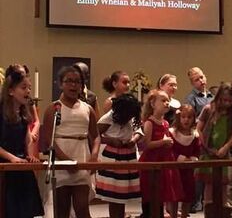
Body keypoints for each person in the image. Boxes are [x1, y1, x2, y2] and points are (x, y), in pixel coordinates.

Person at [43, 65, 100, 218]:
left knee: (82, 208)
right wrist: (66, 160)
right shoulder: (53, 108)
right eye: (69, 81)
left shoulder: (88, 109)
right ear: (61, 84)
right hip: (62, 162)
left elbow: (95, 136)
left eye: (77, 82)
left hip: (82, 158)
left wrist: (94, 156)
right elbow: (49, 138)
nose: (73, 85)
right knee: (62, 209)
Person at [0, 65, 44, 218]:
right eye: (23, 87)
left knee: (26, 212)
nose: (28, 91)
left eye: (29, 88)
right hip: (5, 169)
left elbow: (26, 143)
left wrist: (29, 156)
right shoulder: (1, 112)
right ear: (11, 91)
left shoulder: (23, 113)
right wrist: (12, 158)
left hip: (21, 167)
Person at [95, 93, 142, 218]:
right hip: (113, 156)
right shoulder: (108, 118)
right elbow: (94, 135)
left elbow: (139, 131)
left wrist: (133, 140)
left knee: (122, 195)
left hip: (128, 157)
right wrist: (110, 140)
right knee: (114, 195)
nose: (128, 118)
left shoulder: (131, 116)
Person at [139, 89, 184, 218]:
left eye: (168, 101)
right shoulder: (149, 122)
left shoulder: (165, 123)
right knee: (151, 193)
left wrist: (168, 143)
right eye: (163, 100)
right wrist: (162, 142)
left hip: (164, 160)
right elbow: (147, 144)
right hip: (152, 161)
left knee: (161, 193)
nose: (167, 103)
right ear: (153, 104)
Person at [195, 83, 232, 215]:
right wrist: (208, 148)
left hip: (223, 153)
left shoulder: (231, 113)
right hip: (209, 152)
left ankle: (223, 211)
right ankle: (209, 212)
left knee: (223, 185)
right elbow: (199, 130)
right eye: (224, 100)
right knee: (209, 185)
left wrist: (225, 147)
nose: (227, 103)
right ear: (218, 97)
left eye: (230, 101)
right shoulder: (208, 109)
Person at [184, 67, 213, 213]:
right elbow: (189, 118)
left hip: (213, 137)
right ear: (192, 83)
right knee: (199, 172)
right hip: (199, 136)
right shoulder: (191, 98)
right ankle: (195, 202)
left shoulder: (212, 96)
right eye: (197, 79)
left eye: (202, 77)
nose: (201, 81)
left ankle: (208, 201)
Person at [169, 104, 200, 218]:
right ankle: (173, 215)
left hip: (188, 170)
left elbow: (197, 150)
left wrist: (192, 159)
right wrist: (181, 158)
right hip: (175, 169)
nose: (186, 120)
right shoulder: (172, 133)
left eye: (189, 117)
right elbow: (170, 150)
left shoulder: (194, 135)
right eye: (183, 117)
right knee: (175, 195)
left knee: (188, 193)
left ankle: (185, 215)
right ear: (179, 118)